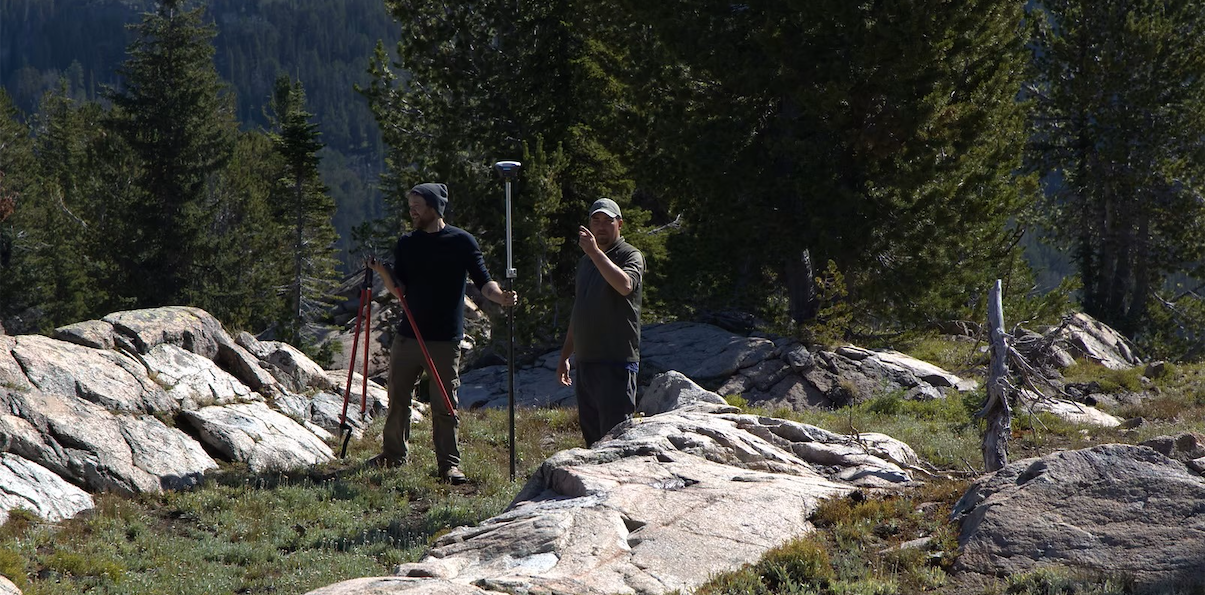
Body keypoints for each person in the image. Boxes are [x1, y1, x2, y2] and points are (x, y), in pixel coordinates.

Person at [366, 182, 517, 484]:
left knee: (445, 404)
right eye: (410, 205)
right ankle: (393, 455)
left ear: (434, 207)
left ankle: (449, 465)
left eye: (417, 205)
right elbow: (402, 291)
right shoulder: (407, 242)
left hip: (445, 340)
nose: (411, 210)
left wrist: (500, 297)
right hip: (408, 336)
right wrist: (383, 272)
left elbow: (483, 281)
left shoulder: (462, 242)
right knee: (397, 399)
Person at [556, 198, 644, 446]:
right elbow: (579, 310)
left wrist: (595, 253)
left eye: (608, 221)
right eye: (596, 221)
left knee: (616, 440)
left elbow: (625, 286)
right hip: (586, 364)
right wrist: (565, 356)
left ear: (620, 225)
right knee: (593, 441)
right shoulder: (585, 262)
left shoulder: (630, 255)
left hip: (615, 363)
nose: (601, 227)